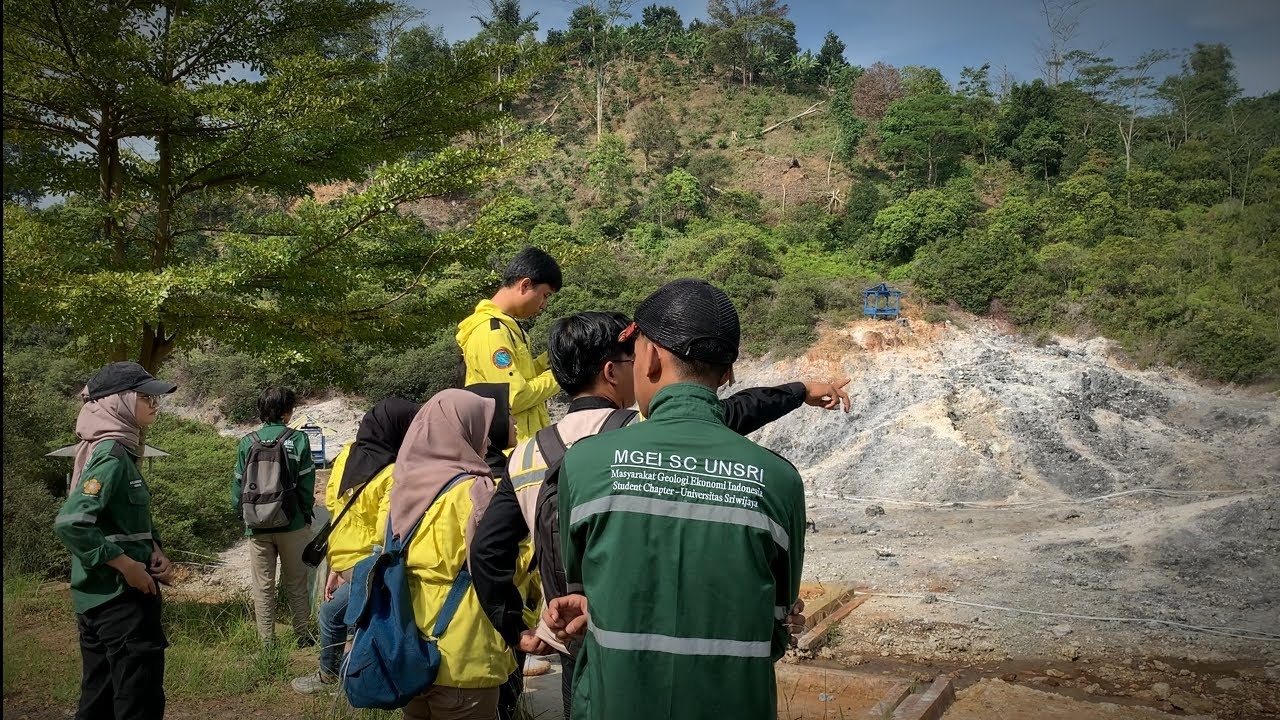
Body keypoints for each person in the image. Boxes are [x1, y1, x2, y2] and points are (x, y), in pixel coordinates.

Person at [471, 310, 846, 718]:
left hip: (571, 633)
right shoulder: (642, 431)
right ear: (613, 372)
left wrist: (517, 629)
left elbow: (488, 550)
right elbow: (730, 414)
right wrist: (798, 390)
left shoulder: (525, 455)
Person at [545, 280, 808, 720]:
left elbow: (584, 584)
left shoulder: (586, 464)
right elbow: (777, 625)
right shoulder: (779, 480)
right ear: (726, 374)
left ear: (647, 357)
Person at [377, 389, 532, 720]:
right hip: (465, 652)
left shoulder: (399, 488)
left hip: (407, 646)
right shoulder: (476, 490)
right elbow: (501, 567)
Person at [54, 361, 178, 720]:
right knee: (137, 699)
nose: (154, 405)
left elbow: (120, 518)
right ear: (117, 402)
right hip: (120, 599)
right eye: (145, 397)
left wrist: (154, 549)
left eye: (156, 399)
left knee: (100, 697)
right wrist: (127, 566)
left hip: (100, 596)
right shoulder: (111, 454)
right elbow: (72, 522)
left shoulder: (116, 449)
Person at [291, 397, 419, 695]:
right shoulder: (395, 471)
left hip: (349, 560)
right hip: (370, 564)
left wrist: (338, 565)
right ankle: (345, 680)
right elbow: (386, 531)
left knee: (340, 616)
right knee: (347, 618)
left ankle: (344, 681)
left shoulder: (348, 454)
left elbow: (335, 507)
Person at [231, 386, 316, 645]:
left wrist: (244, 515)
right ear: (288, 412)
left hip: (257, 526)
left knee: (263, 585)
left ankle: (267, 641)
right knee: (296, 582)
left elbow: (237, 487)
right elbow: (306, 484)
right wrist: (305, 514)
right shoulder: (298, 439)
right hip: (292, 524)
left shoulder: (247, 441)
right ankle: (303, 636)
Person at [456, 247, 562, 443]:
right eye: (545, 295)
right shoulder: (491, 332)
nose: (544, 305)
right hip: (509, 452)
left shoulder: (506, 327)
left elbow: (523, 376)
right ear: (525, 285)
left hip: (524, 446)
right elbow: (514, 397)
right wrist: (560, 375)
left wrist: (557, 356)